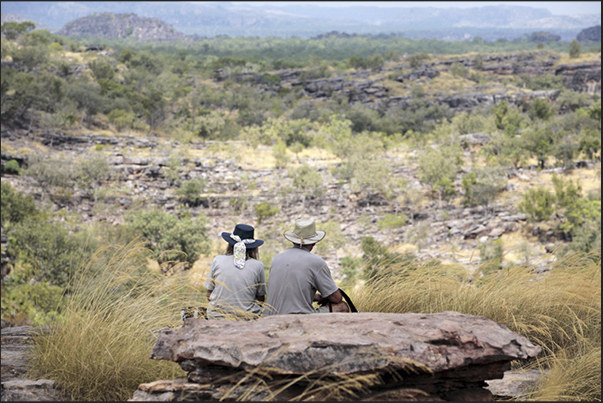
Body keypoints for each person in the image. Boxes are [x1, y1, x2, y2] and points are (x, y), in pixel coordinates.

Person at [264, 218, 349, 315]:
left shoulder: (276, 259)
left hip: (269, 317)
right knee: (342, 306)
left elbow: (288, 290)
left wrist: (315, 297)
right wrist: (325, 296)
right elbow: (336, 298)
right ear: (314, 242)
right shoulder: (316, 262)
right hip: (296, 319)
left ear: (293, 240)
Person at [204, 223, 266, 320]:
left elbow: (209, 295)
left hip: (217, 316)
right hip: (247, 318)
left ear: (230, 243)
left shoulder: (218, 260)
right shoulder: (258, 266)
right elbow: (261, 300)